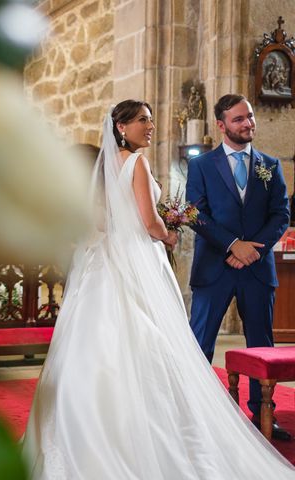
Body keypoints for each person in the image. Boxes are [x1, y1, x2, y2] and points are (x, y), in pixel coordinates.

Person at [21, 100, 295, 479]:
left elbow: (101, 220)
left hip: (110, 260)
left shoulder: (104, 166)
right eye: (143, 121)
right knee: (159, 342)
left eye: (151, 120)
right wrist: (167, 233)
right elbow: (150, 223)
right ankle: (157, 427)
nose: (150, 127)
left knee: (101, 342)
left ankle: (89, 429)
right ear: (121, 127)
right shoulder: (138, 163)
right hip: (140, 259)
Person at [186, 94, 291, 440]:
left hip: (257, 271)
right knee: (200, 344)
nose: (248, 124)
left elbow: (281, 215)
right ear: (221, 125)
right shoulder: (202, 166)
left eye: (250, 117)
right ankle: (194, 414)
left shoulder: (270, 165)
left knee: (261, 344)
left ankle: (262, 415)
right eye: (239, 119)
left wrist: (253, 252)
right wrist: (233, 245)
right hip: (214, 268)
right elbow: (194, 213)